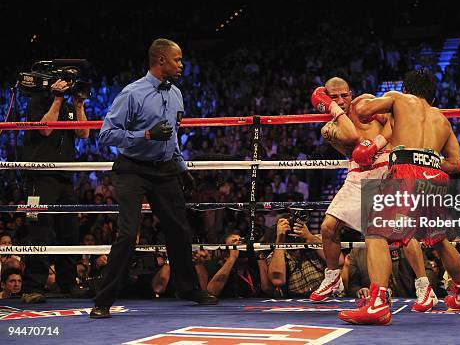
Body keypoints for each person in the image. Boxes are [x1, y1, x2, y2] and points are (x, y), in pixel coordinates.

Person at [90, 38, 217, 319]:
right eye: (177, 59)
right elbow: (106, 134)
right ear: (161, 60)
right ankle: (103, 299)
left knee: (179, 229)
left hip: (164, 169)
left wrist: (181, 167)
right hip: (132, 169)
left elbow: (172, 137)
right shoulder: (132, 94)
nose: (182, 65)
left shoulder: (177, 95)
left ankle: (187, 288)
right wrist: (144, 135)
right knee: (127, 234)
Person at [340, 68, 460, 325]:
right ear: (433, 98)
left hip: (405, 172)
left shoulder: (399, 99)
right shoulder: (442, 120)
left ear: (406, 89)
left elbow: (362, 111)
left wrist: (383, 110)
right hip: (435, 176)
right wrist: (428, 160)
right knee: (438, 241)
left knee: (375, 233)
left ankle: (378, 304)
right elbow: (455, 163)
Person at [309, 77, 437, 312]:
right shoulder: (329, 128)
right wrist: (333, 109)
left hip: (387, 170)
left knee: (402, 233)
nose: (341, 100)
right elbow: (350, 136)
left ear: (351, 92)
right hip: (358, 176)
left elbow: (395, 122)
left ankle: (424, 286)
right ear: (326, 100)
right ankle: (333, 277)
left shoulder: (366, 103)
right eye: (334, 97)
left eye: (344, 95)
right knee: (328, 227)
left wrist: (377, 143)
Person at [22, 74, 90, 302]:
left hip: (64, 177)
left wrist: (79, 105)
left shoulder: (70, 106)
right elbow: (45, 130)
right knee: (40, 231)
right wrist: (57, 99)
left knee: (69, 230)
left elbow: (83, 132)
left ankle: (67, 283)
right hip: (40, 178)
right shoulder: (37, 101)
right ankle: (33, 287)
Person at [206, 233, 273, 297]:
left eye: (241, 242)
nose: (240, 245)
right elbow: (212, 291)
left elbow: (268, 289)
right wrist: (232, 258)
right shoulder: (216, 267)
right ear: (225, 253)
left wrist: (259, 257)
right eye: (235, 244)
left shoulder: (253, 266)